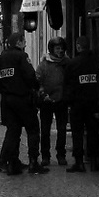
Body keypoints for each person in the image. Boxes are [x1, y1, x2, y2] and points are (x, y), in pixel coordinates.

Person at [0, 33, 46, 175]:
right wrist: (36, 87)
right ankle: (33, 162)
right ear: (19, 42)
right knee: (33, 129)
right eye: (24, 42)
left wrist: (6, 91)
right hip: (23, 99)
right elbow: (30, 76)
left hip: (7, 100)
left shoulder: (1, 58)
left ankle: (11, 162)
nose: (26, 44)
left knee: (13, 131)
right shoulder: (22, 56)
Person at [64, 34, 99, 173]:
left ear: (78, 46)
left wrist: (69, 101)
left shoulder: (73, 64)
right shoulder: (96, 62)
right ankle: (94, 161)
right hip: (93, 102)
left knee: (77, 133)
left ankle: (79, 161)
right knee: (93, 132)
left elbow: (68, 85)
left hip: (77, 104)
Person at [36, 37, 69, 167]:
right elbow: (37, 81)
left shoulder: (67, 63)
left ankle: (61, 154)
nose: (60, 51)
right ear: (52, 49)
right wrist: (43, 94)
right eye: (57, 48)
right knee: (45, 130)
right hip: (47, 101)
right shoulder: (44, 65)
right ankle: (45, 155)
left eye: (61, 48)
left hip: (61, 100)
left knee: (62, 129)